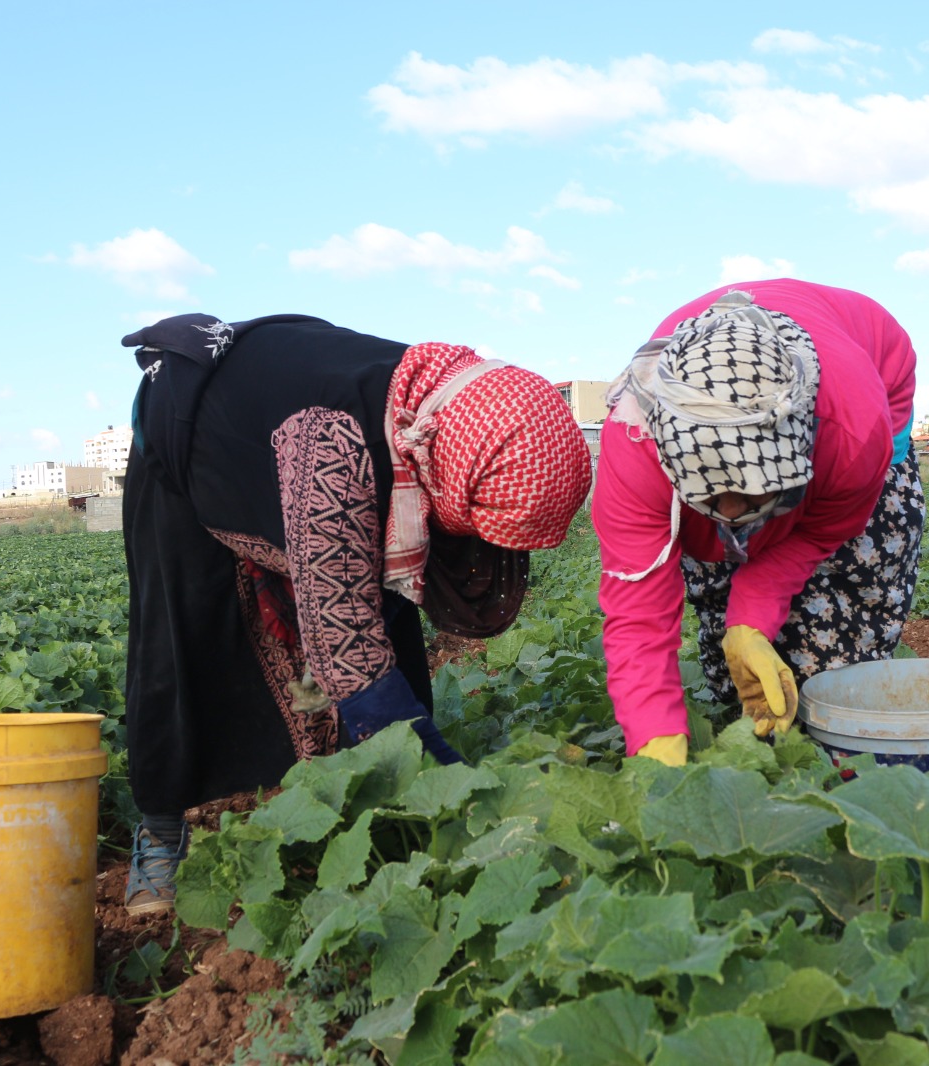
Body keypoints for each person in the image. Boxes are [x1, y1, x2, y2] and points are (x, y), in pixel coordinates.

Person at [119, 312, 592, 912]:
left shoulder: (439, 408)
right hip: (187, 436)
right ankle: (161, 829)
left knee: (386, 601)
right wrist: (460, 788)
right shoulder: (331, 456)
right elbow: (353, 658)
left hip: (286, 425)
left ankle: (355, 797)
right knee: (182, 630)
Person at [591, 280, 921, 765]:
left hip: (869, 374)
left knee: (852, 589)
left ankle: (846, 751)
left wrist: (753, 613)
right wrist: (654, 739)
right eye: (711, 493)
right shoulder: (637, 444)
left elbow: (819, 531)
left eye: (749, 492)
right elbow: (637, 609)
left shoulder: (851, 431)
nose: (730, 517)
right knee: (725, 627)